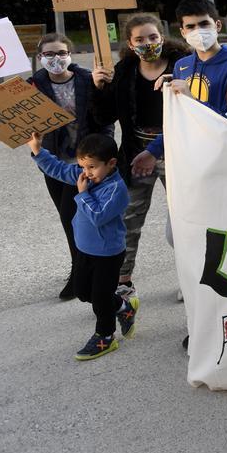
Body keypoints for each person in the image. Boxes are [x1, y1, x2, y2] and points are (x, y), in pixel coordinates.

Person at [90, 14, 189, 297]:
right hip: (136, 157)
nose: (148, 43)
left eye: (153, 37)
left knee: (184, 221)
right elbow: (104, 116)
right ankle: (123, 282)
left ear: (163, 36)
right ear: (130, 44)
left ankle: (189, 277)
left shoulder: (183, 66)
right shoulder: (124, 70)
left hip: (178, 155)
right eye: (140, 39)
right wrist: (99, 89)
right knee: (128, 221)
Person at [133, 0, 227, 179]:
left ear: (217, 25)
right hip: (190, 158)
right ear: (182, 32)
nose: (198, 31)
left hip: (223, 159)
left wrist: (192, 99)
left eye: (204, 24)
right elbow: (178, 120)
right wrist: (153, 151)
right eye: (190, 26)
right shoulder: (182, 66)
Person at [29, 131, 136, 360]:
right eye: (82, 167)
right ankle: (122, 307)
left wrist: (82, 194)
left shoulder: (117, 190)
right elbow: (58, 169)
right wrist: (38, 150)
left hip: (107, 254)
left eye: (92, 167)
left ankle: (105, 337)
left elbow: (98, 215)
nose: (85, 173)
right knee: (82, 291)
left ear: (111, 163)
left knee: (99, 298)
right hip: (84, 249)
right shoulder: (85, 175)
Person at [30, 33, 112, 299]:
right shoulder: (34, 86)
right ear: (40, 57)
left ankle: (82, 272)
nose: (56, 59)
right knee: (68, 219)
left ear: (71, 55)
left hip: (85, 163)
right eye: (50, 54)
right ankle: (81, 268)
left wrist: (103, 150)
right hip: (53, 163)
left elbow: (104, 118)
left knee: (79, 219)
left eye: (62, 53)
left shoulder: (88, 80)